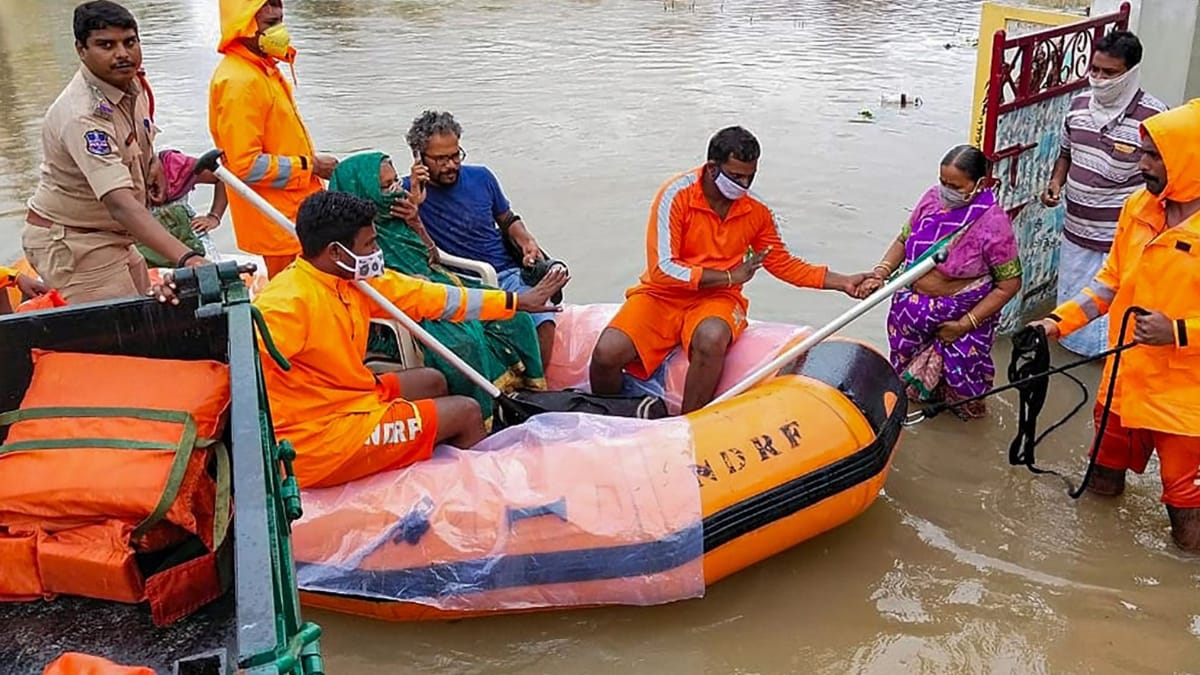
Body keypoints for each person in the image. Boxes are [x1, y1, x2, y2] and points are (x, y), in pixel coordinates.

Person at [209, 191, 567, 489]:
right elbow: (240, 368)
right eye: (369, 244)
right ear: (336, 251)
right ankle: (481, 495)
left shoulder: (352, 280)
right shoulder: (287, 304)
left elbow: (431, 297)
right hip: (319, 436)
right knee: (466, 411)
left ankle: (429, 452)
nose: (376, 252)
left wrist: (517, 302)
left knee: (433, 380)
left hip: (347, 394)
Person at [588, 126, 868, 414]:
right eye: (736, 176)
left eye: (750, 176)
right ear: (712, 168)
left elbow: (782, 263)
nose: (744, 184)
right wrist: (731, 276)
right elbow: (662, 269)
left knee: (711, 338)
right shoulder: (676, 195)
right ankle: (613, 416)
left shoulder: (756, 211)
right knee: (606, 354)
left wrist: (842, 282)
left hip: (718, 299)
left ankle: (688, 425)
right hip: (663, 294)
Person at [1029, 101, 1200, 552]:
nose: (1140, 163)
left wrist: (1180, 331)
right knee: (1100, 480)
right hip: (1124, 378)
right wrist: (1055, 323)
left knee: (1187, 512)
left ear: (1189, 157)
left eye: (1153, 156)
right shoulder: (1138, 208)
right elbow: (1107, 286)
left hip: (1186, 398)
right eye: (1142, 152)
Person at [328, 152, 551, 429]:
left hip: (432, 285)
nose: (396, 191)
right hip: (401, 309)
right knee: (464, 341)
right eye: (386, 187)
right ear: (363, 192)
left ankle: (521, 393)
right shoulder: (353, 243)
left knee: (515, 318)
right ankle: (481, 417)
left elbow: (432, 256)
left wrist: (416, 222)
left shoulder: (399, 214)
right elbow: (389, 289)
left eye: (395, 181)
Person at [21, 1, 208, 304]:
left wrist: (153, 163)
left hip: (115, 235)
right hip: (75, 239)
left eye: (129, 42)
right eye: (106, 45)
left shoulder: (131, 82)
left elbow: (137, 134)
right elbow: (119, 204)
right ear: (81, 50)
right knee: (125, 331)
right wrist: (187, 257)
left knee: (149, 306)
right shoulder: (83, 116)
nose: (122, 53)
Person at [858, 145, 1022, 419]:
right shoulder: (932, 200)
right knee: (905, 389)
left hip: (961, 318)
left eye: (955, 186)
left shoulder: (993, 223)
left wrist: (962, 325)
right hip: (911, 316)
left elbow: (1009, 284)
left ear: (979, 184)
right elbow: (903, 240)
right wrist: (880, 273)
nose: (946, 191)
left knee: (964, 395)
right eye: (943, 182)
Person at [1040, 31, 1166, 358]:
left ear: (1131, 71)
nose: (1098, 79)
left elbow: (1166, 178)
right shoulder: (1078, 106)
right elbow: (1066, 154)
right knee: (1074, 313)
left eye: (1109, 73)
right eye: (1094, 70)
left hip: (1122, 239)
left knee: (1117, 323)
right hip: (1077, 231)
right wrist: (1056, 183)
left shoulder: (1155, 118)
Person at [402, 110, 561, 364]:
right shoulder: (405, 195)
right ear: (418, 157)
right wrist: (416, 205)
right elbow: (413, 252)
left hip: (505, 272)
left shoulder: (482, 177)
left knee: (544, 318)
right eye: (441, 159)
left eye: (455, 155)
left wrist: (527, 241)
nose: (451, 165)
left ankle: (538, 388)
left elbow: (506, 218)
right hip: (457, 282)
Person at [208, 0, 337, 279]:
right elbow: (245, 165)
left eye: (280, 21)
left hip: (296, 216)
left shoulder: (262, 69)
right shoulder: (240, 81)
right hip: (279, 223)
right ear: (244, 27)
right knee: (299, 301)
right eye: (270, 24)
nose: (280, 31)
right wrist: (311, 167)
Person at [136, 148, 229, 268]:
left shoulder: (173, 165)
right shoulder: (114, 178)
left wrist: (214, 217)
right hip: (142, 253)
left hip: (191, 244)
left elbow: (223, 177)